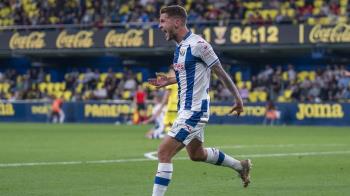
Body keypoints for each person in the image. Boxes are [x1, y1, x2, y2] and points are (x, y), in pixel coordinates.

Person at [148, 5, 252, 196]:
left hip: (194, 111)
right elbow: (187, 75)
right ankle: (240, 166)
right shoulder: (179, 48)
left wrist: (238, 99)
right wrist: (168, 81)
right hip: (186, 110)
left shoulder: (199, 45)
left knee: (164, 153)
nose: (159, 25)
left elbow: (220, 72)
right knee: (196, 154)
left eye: (163, 21)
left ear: (177, 22)